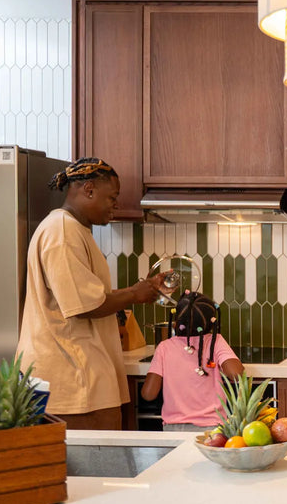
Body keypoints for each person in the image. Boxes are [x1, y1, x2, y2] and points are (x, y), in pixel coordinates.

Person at [16, 158, 169, 429]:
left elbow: (86, 295)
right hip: (72, 384)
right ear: (88, 189)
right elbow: (85, 305)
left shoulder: (73, 230)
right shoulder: (62, 232)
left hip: (81, 379)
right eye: (112, 197)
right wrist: (134, 293)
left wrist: (141, 290)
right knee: (95, 469)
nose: (116, 204)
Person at [141, 291, 244, 432]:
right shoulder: (215, 341)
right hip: (212, 429)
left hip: (174, 430)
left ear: (176, 322)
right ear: (212, 322)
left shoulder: (164, 347)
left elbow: (148, 394)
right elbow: (236, 374)